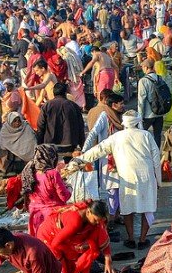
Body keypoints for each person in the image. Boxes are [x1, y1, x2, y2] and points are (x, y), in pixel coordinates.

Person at [72, 110, 160, 249]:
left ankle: (131, 239)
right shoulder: (147, 135)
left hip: (126, 177)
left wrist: (78, 160)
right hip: (147, 177)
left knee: (127, 208)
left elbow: (97, 150)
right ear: (138, 121)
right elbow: (156, 158)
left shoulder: (116, 137)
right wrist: (158, 180)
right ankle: (143, 240)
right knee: (147, 208)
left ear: (124, 122)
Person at [37, 201, 113, 273]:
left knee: (71, 266)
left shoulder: (95, 219)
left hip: (63, 238)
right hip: (49, 236)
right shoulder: (76, 221)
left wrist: (108, 260)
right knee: (62, 268)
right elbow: (55, 243)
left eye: (100, 221)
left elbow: (101, 233)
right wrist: (73, 251)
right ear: (88, 212)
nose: (97, 224)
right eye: (95, 220)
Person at [81, 92, 125, 226]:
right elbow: (93, 133)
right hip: (108, 160)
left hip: (123, 158)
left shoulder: (124, 118)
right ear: (114, 105)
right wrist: (84, 152)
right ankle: (111, 218)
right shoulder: (104, 117)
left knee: (121, 188)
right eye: (121, 104)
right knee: (112, 189)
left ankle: (116, 215)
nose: (123, 106)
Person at [22, 144, 71, 236]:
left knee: (40, 244)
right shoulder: (52, 174)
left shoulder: (29, 172)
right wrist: (69, 188)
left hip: (36, 216)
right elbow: (64, 196)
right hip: (53, 216)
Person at [36, 83, 85, 152]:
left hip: (50, 144)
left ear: (53, 93)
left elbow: (40, 125)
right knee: (69, 162)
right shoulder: (74, 106)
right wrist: (82, 145)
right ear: (66, 93)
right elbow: (81, 126)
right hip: (69, 144)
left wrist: (39, 143)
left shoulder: (47, 106)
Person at [137, 58, 164, 147]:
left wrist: (139, 116)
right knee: (157, 136)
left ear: (146, 67)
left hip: (148, 114)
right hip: (160, 112)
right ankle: (156, 155)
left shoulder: (143, 81)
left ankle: (144, 153)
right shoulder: (160, 78)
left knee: (140, 134)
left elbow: (141, 100)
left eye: (143, 67)